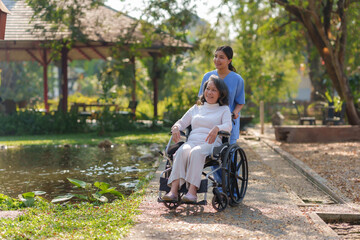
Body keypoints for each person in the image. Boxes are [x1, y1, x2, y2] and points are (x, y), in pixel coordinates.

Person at [162, 75, 232, 203]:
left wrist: (217, 128)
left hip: (211, 144)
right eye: (207, 89)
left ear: (220, 94)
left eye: (214, 90)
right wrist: (176, 128)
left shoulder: (224, 109)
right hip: (192, 141)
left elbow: (228, 126)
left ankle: (192, 192)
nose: (209, 92)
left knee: (196, 152)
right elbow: (181, 122)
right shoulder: (196, 108)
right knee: (183, 150)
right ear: (204, 90)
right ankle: (173, 190)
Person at [198, 45, 245, 183]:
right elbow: (202, 99)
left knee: (228, 158)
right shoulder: (208, 76)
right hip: (210, 122)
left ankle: (231, 189)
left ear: (229, 60)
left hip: (227, 122)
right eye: (216, 56)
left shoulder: (237, 79)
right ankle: (220, 186)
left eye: (221, 57)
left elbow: (240, 102)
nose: (217, 60)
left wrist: (235, 113)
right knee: (214, 156)